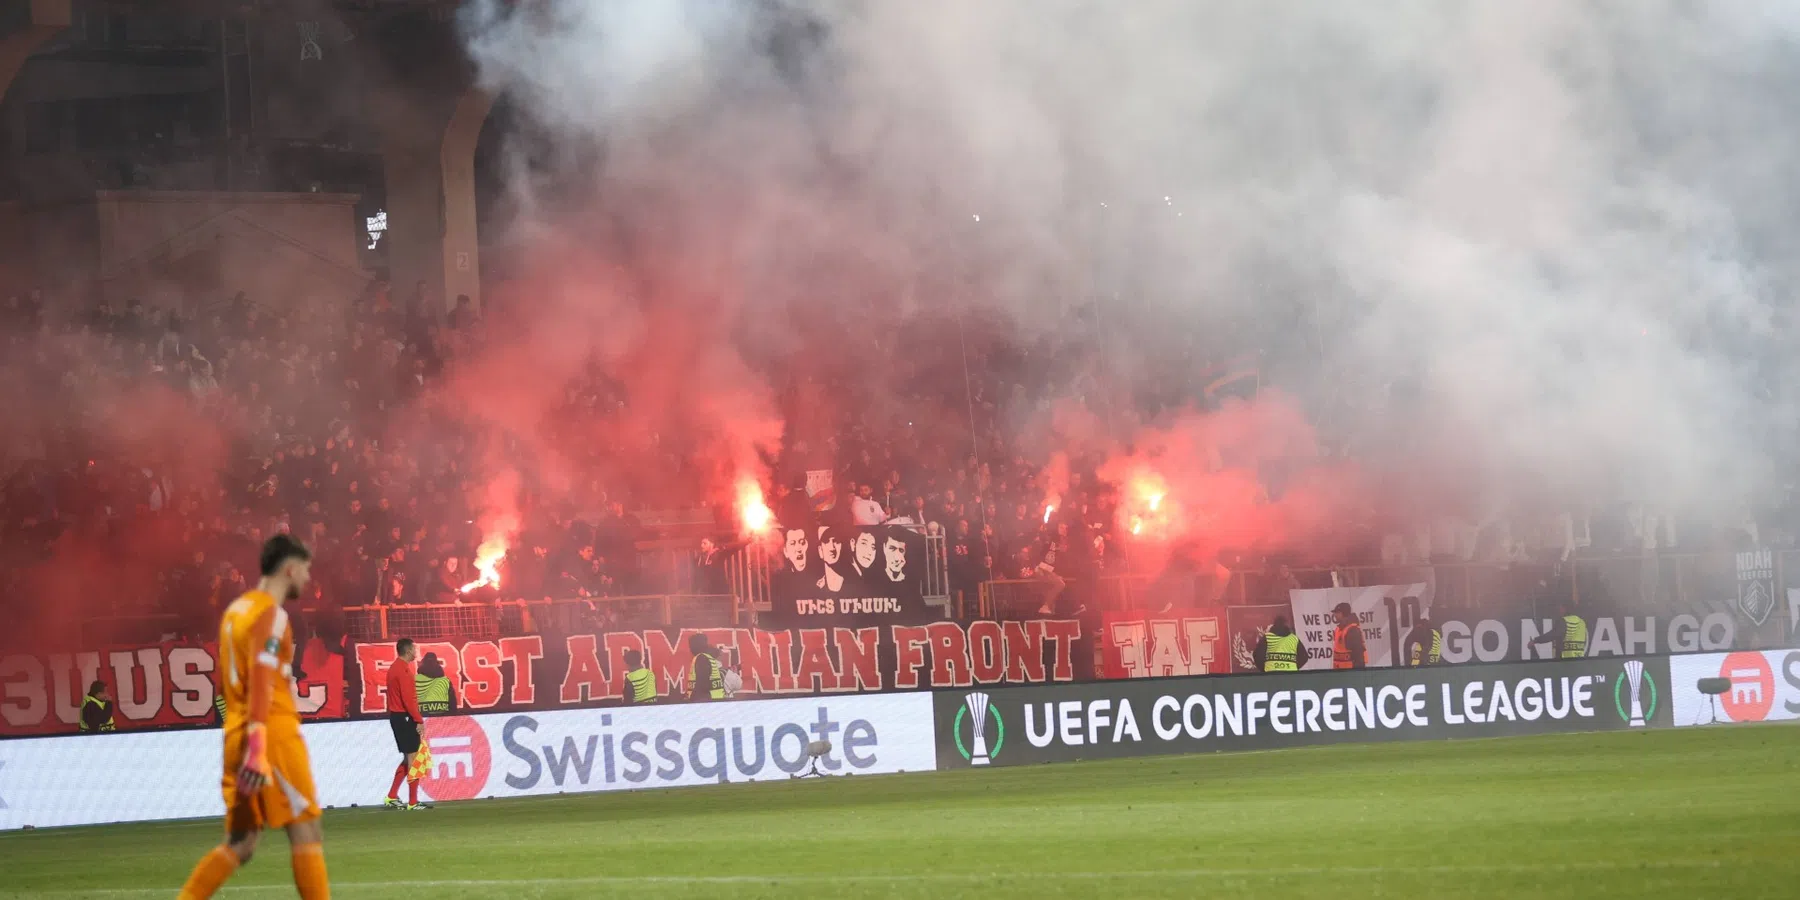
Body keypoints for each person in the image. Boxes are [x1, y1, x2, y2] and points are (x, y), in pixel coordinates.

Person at [177, 534, 330, 900]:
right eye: (306, 570)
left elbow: (231, 680)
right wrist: (259, 747)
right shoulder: (272, 615)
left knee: (241, 843)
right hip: (270, 735)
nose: (308, 579)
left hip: (234, 732)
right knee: (307, 829)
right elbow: (261, 680)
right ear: (290, 569)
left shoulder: (235, 612)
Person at [383, 638, 428, 810]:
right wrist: (419, 720)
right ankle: (413, 802)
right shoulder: (403, 671)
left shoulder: (395, 668)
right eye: (414, 649)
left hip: (398, 717)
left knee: (408, 758)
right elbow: (408, 700)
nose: (416, 652)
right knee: (413, 759)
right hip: (405, 717)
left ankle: (392, 796)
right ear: (409, 651)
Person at [687, 633, 724, 702]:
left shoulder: (702, 658)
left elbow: (702, 686)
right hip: (714, 700)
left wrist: (692, 701)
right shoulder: (707, 657)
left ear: (696, 646)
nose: (690, 649)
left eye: (691, 646)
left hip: (707, 702)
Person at [1331, 602, 1367, 670]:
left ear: (1343, 614)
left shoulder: (1352, 630)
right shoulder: (1339, 629)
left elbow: (1358, 656)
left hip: (1349, 673)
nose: (1335, 615)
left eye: (1337, 612)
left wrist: (1356, 674)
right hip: (1340, 673)